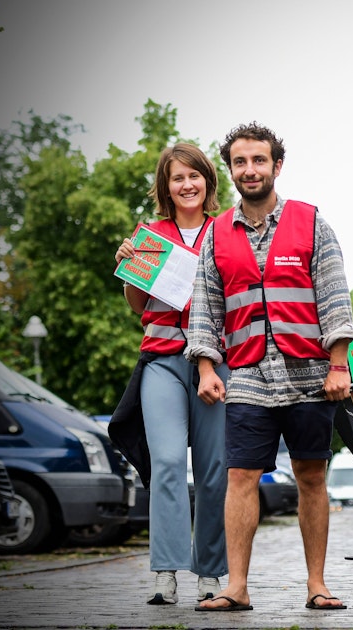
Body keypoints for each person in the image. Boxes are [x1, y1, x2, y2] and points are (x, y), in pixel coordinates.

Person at [187, 122, 353, 612]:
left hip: (310, 373)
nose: (250, 170)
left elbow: (333, 294)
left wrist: (339, 363)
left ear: (276, 166)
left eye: (258, 160)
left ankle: (317, 584)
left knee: (311, 475)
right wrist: (205, 367)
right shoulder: (217, 233)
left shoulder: (310, 222)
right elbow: (205, 308)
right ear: (232, 170)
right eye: (240, 162)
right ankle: (236, 587)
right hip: (247, 374)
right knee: (240, 476)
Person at [111, 143, 228, 605]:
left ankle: (211, 574)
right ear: (166, 185)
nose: (187, 185)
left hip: (217, 362)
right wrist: (130, 271)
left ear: (207, 181)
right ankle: (165, 572)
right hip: (161, 359)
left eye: (194, 176)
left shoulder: (226, 231)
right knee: (167, 464)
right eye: (177, 178)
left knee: (215, 469)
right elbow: (139, 305)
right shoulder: (149, 235)